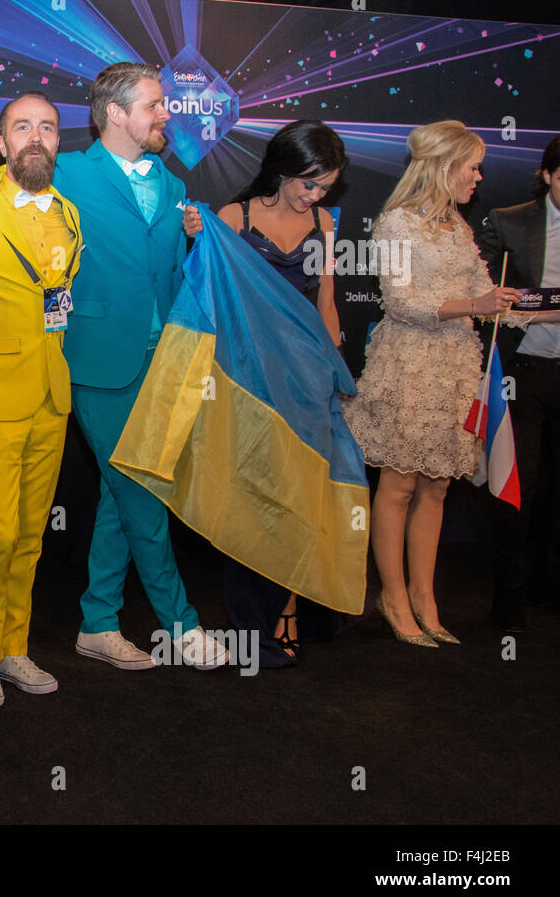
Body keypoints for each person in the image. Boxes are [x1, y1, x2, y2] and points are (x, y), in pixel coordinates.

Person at [343, 120, 560, 646]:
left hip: (456, 369)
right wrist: (475, 305)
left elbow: (493, 298)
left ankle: (425, 596)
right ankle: (392, 597)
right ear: (444, 167)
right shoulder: (396, 222)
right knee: (398, 485)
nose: (479, 178)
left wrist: (541, 307)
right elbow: (399, 303)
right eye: (473, 167)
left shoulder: (460, 229)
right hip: (409, 365)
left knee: (436, 487)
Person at [51, 63, 227, 671]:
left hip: (165, 358)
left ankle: (98, 620)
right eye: (154, 105)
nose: (166, 115)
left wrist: (195, 240)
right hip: (98, 359)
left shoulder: (174, 186)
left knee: (117, 490)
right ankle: (181, 624)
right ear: (115, 113)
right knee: (141, 487)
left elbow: (174, 272)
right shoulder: (66, 172)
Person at [0, 92, 83, 706]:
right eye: (22, 127)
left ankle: (14, 649)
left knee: (31, 536)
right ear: (2, 143)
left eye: (49, 128)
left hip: (49, 398)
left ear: (59, 142)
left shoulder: (70, 215)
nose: (37, 137)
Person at [216, 119, 348, 665]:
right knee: (252, 501)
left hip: (304, 378)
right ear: (282, 170)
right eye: (307, 184)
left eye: (324, 188)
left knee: (298, 498)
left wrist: (335, 371)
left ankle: (288, 608)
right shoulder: (233, 218)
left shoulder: (323, 223)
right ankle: (249, 626)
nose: (314, 196)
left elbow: (326, 302)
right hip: (249, 378)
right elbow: (216, 304)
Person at [476, 135, 560, 633]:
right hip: (523, 372)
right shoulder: (510, 220)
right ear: (547, 175)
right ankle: (508, 600)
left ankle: (550, 586)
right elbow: (474, 285)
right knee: (517, 485)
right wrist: (517, 303)